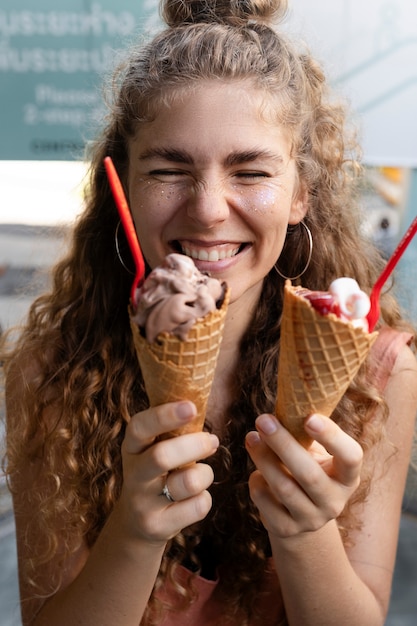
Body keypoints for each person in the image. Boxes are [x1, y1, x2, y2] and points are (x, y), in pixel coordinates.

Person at [2, 1, 417, 625]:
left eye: (250, 171)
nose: (208, 210)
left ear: (301, 192)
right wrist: (134, 536)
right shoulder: (50, 373)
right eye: (169, 169)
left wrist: (307, 533)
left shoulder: (381, 376)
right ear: (123, 186)